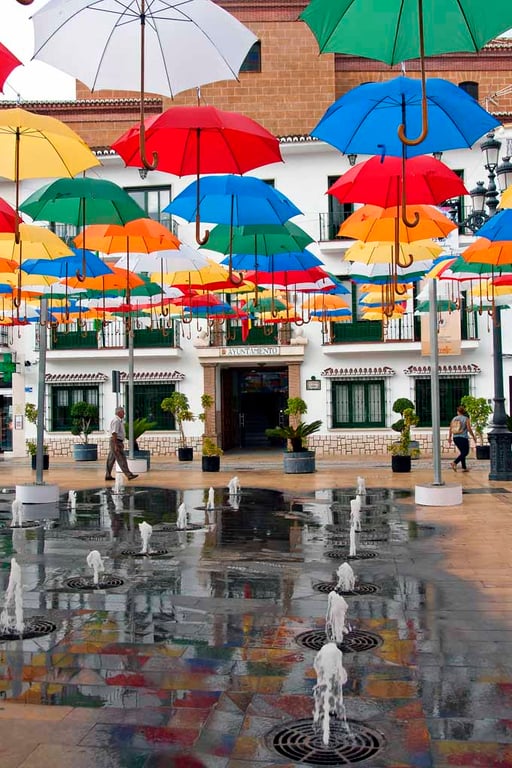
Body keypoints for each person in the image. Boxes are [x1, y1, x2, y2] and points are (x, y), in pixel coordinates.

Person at [105, 406, 138, 481]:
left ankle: (108, 475)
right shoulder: (116, 421)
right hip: (116, 441)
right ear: (119, 413)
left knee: (111, 459)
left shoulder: (119, 421)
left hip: (116, 441)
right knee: (121, 458)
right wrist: (116, 445)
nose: (124, 413)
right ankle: (129, 475)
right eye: (123, 412)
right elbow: (114, 433)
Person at [448, 405, 476, 473]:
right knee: (465, 452)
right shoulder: (466, 419)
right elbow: (469, 429)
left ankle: (464, 467)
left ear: (458, 412)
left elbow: (451, 428)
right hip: (463, 437)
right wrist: (473, 436)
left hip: (455, 438)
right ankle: (455, 462)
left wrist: (449, 437)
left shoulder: (454, 418)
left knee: (462, 452)